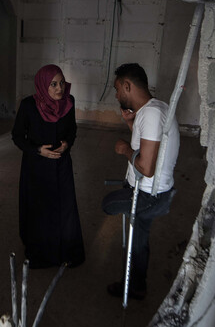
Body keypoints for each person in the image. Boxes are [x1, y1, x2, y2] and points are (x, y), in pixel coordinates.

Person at [102, 63, 179, 300]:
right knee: (139, 238)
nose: (116, 95)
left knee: (108, 204)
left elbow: (146, 167)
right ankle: (136, 285)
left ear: (128, 86)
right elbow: (149, 143)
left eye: (117, 89)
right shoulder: (155, 108)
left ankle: (134, 282)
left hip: (149, 195)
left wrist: (125, 149)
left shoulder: (152, 114)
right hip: (153, 191)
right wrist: (130, 124)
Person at [12, 65, 85, 268]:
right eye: (53, 84)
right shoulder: (28, 106)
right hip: (36, 166)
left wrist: (67, 144)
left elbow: (72, 130)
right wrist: (37, 150)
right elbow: (17, 136)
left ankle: (67, 251)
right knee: (40, 209)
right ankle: (41, 255)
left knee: (65, 207)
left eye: (61, 83)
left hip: (62, 164)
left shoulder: (68, 103)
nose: (59, 88)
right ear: (43, 85)